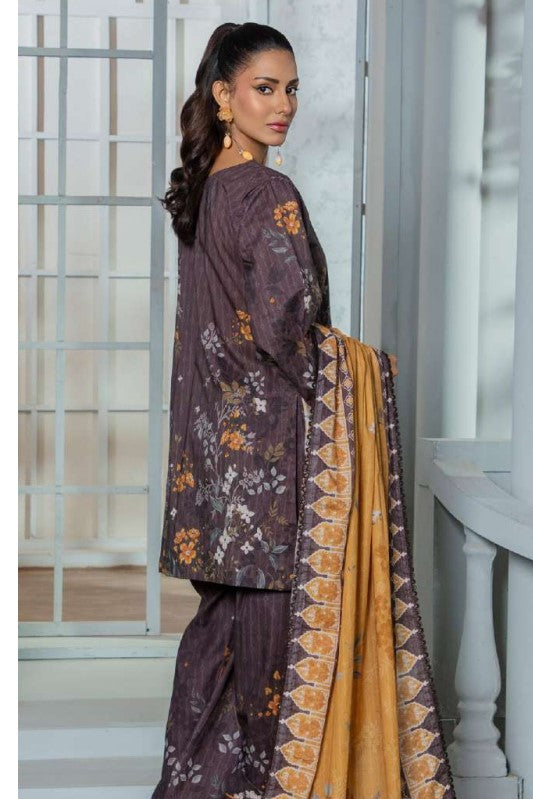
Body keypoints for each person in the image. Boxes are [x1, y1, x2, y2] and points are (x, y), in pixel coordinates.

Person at [151, 21, 455, 799]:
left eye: (291, 89)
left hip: (216, 471)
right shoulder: (265, 193)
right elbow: (286, 330)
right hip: (278, 472)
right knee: (281, 680)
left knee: (221, 661)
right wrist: (369, 368)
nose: (283, 104)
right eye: (265, 88)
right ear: (223, 97)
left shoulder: (204, 193)